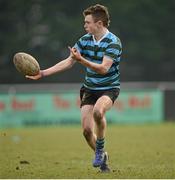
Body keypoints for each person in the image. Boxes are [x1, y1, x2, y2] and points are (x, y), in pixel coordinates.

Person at [26, 4, 122, 172]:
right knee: (86, 131)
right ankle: (103, 156)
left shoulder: (113, 42)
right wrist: (42, 73)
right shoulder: (84, 40)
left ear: (99, 23)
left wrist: (81, 60)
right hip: (89, 88)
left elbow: (103, 68)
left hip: (109, 87)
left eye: (87, 22)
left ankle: (99, 148)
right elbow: (69, 61)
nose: (84, 25)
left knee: (99, 112)